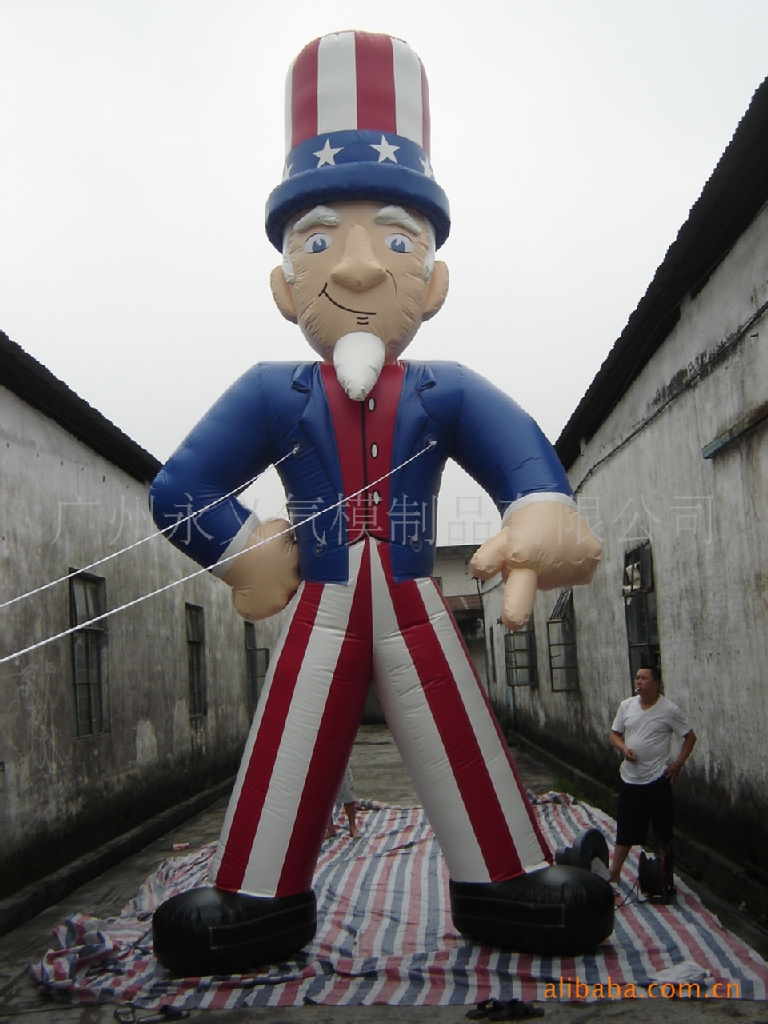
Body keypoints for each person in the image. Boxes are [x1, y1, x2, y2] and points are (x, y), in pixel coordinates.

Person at [149, 31, 607, 976]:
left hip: (411, 597)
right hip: (319, 601)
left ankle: (504, 877)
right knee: (293, 737)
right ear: (285, 286)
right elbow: (181, 487)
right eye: (319, 240)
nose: (358, 270)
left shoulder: (446, 390)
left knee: (454, 729)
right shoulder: (273, 392)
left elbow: (524, 463)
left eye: (396, 240)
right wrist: (239, 546)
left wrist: (540, 509)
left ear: (432, 281)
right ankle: (258, 892)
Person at [608, 666, 696, 886]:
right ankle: (614, 874)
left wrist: (678, 764)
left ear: (655, 683)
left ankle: (665, 878)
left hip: (657, 780)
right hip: (631, 779)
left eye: (644, 678)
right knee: (625, 830)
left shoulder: (669, 710)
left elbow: (690, 737)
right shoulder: (626, 706)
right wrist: (623, 749)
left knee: (663, 832)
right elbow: (614, 735)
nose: (638, 681)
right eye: (637, 678)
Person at [325, 765, 361, 840]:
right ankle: (330, 828)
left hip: (339, 764)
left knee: (348, 793)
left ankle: (353, 827)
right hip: (321, 764)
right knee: (324, 797)